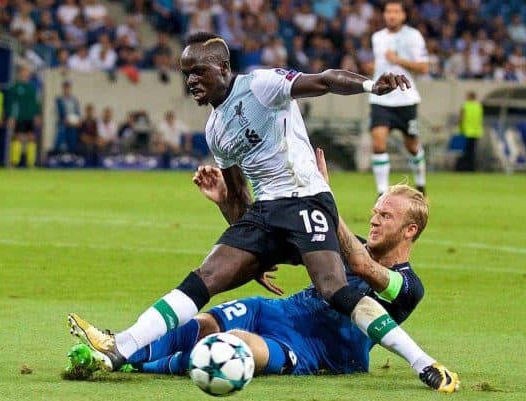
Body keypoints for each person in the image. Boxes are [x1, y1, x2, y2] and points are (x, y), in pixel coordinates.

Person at [68, 32, 457, 392]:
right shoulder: (215, 129)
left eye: (199, 71)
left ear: (223, 67)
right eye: (186, 74)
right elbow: (240, 196)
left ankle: (421, 362)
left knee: (332, 287)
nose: (191, 81)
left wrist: (369, 85)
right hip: (267, 210)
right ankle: (122, 346)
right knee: (206, 276)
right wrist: (253, 257)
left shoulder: (261, 85)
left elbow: (323, 80)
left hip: (305, 198)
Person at [68, 149, 458, 391]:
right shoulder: (342, 240)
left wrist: (323, 198)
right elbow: (265, 241)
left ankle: (141, 364)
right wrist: (227, 203)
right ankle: (114, 349)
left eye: (385, 216)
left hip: (316, 348)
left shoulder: (407, 286)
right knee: (204, 323)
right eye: (375, 212)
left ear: (410, 231)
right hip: (278, 311)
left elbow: (359, 264)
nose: (374, 220)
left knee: (234, 346)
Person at [368, 0, 429, 196]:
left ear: (403, 15)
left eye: (396, 11)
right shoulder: (377, 37)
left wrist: (398, 61)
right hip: (381, 99)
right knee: (378, 142)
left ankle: (421, 182)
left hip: (405, 99)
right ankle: (381, 192)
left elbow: (424, 67)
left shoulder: (413, 36)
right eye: (388, 11)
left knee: (411, 145)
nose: (391, 15)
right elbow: (380, 65)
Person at [7, 66, 40, 167]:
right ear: (20, 73)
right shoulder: (15, 87)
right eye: (24, 72)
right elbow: (11, 103)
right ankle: (14, 162)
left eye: (28, 72)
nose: (26, 74)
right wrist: (11, 116)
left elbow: (35, 103)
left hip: (30, 117)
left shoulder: (32, 88)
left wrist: (37, 115)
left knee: (32, 138)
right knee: (18, 138)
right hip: (19, 117)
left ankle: (31, 164)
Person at [456, 91, 484, 172]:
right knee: (472, 152)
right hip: (476, 132)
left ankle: (465, 168)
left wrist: (460, 128)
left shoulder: (465, 106)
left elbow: (461, 118)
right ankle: (472, 168)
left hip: (467, 131)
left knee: (466, 152)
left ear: (470, 97)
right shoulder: (478, 106)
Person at [54, 81, 81, 154]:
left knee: (73, 139)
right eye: (65, 88)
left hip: (73, 124)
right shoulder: (59, 100)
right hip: (63, 123)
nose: (67, 90)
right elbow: (58, 113)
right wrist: (64, 120)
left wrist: (77, 121)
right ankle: (56, 155)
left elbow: (77, 113)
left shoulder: (74, 100)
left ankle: (72, 155)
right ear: (63, 89)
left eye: (68, 88)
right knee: (60, 138)